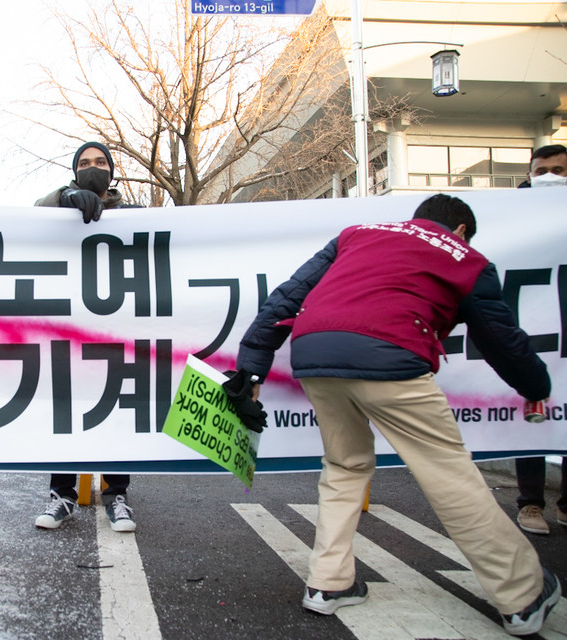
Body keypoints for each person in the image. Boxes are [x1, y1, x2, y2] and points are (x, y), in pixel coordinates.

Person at [227, 194, 559, 636]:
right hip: (393, 356)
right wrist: (537, 386)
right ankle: (522, 596)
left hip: (314, 353)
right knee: (448, 475)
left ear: (416, 219)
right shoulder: (466, 257)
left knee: (344, 466)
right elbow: (500, 338)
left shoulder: (356, 235)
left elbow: (285, 299)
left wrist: (251, 366)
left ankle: (328, 583)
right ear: (460, 229)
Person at [32, 141, 137, 532]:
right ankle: (63, 495)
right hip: (69, 332)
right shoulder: (58, 208)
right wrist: (65, 198)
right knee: (68, 406)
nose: (92, 168)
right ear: (74, 173)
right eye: (84, 164)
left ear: (112, 171)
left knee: (118, 407)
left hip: (117, 330)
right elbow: (30, 217)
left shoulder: (133, 215)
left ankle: (117, 495)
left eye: (100, 162)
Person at [512, 143, 567, 534]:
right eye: (542, 169)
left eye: (559, 170)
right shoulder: (510, 214)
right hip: (530, 328)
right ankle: (530, 503)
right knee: (531, 413)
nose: (549, 176)